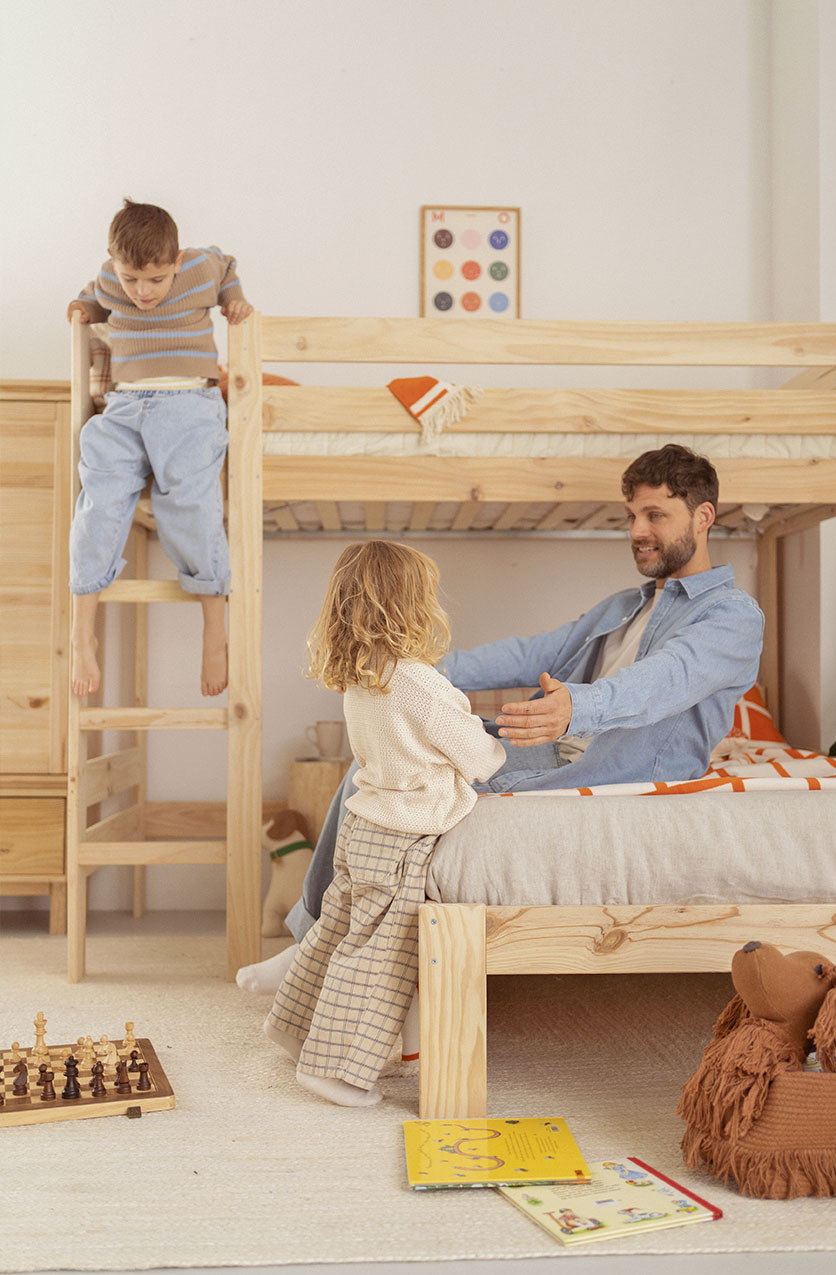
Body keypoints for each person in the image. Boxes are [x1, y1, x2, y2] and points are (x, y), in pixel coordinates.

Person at [238, 443, 764, 994]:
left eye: (656, 515)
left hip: (618, 770)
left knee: (407, 785)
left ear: (703, 518)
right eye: (632, 515)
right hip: (554, 744)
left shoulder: (730, 616)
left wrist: (574, 709)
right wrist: (408, 667)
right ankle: (312, 939)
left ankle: (316, 951)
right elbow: (530, 653)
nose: (637, 530)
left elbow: (665, 680)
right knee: (373, 772)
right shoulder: (624, 606)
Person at [262, 541, 505, 1106]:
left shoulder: (364, 674)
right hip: (399, 837)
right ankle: (332, 1069)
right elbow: (477, 754)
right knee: (377, 957)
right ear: (412, 606)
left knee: (336, 933)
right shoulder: (416, 681)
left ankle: (293, 1027)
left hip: (363, 825)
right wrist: (495, 748)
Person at [67, 199, 253, 697]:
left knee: (191, 505)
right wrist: (83, 311)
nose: (142, 292)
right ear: (113, 259)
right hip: (124, 408)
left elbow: (228, 265)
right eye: (131, 280)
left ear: (175, 261)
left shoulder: (199, 266)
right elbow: (91, 296)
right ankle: (82, 631)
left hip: (189, 403)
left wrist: (233, 298)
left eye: (155, 280)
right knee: (96, 505)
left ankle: (214, 629)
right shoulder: (110, 278)